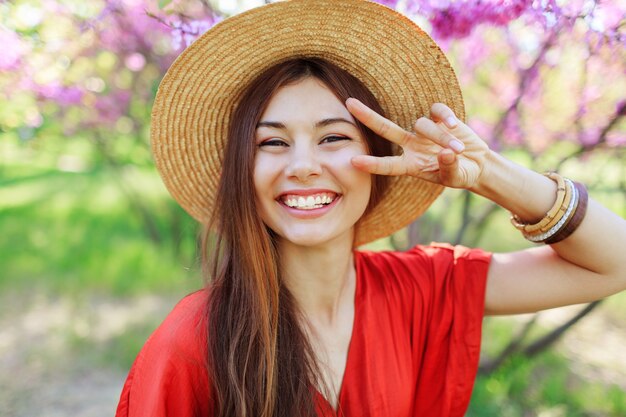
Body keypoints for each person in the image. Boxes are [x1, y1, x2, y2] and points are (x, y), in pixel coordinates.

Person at [115, 1, 626, 416]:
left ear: (380, 160)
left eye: (333, 138)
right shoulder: (194, 340)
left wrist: (490, 173)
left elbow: (615, 262)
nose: (303, 166)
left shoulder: (422, 288)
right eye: (271, 143)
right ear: (241, 173)